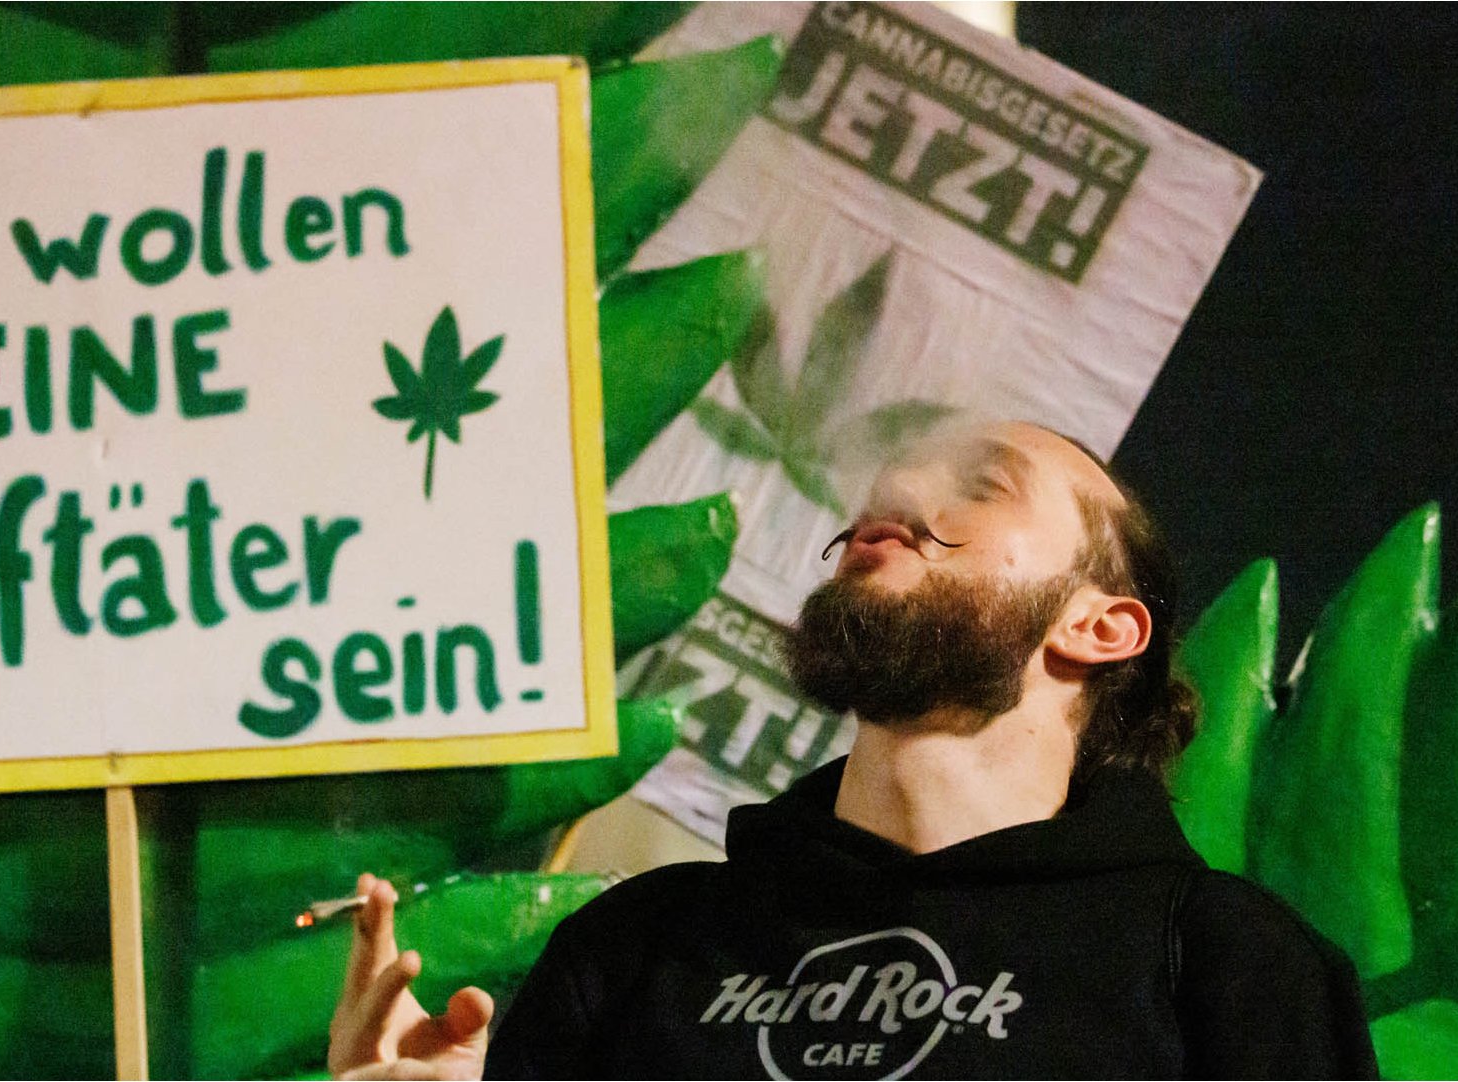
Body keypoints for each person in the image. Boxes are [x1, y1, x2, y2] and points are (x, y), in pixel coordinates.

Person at [327, 418, 1378, 1080]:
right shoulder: (639, 942)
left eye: (980, 481)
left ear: (1098, 626)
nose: (898, 498)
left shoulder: (1230, 965)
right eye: (892, 479)